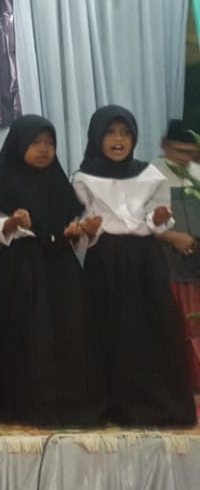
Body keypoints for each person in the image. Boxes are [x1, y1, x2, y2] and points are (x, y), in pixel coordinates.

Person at [73, 106, 196, 426]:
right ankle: (114, 403)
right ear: (97, 137)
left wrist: (160, 219)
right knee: (110, 330)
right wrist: (89, 228)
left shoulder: (149, 175)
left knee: (151, 328)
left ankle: (155, 403)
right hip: (105, 260)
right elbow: (83, 227)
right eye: (111, 133)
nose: (119, 139)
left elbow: (158, 220)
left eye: (125, 133)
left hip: (144, 260)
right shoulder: (83, 178)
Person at [0, 116, 104, 427]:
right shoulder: (3, 182)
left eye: (50, 143)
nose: (44, 149)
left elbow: (72, 227)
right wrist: (13, 223)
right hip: (22, 268)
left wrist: (80, 231)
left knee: (69, 331)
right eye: (36, 142)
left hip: (61, 268)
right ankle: (32, 404)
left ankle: (70, 402)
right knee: (31, 336)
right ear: (18, 145)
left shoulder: (59, 184)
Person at [153, 119, 200, 391]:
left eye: (191, 153)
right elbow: (139, 222)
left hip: (195, 265)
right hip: (167, 265)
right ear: (164, 145)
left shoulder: (196, 173)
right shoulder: (151, 176)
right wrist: (173, 237)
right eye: (180, 151)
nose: (185, 158)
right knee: (175, 327)